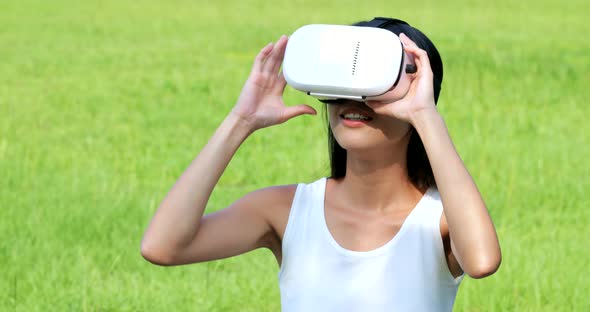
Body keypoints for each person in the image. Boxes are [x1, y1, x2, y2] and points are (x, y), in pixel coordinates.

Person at [141, 17, 501, 311]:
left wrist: (425, 115)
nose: (353, 100)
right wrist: (242, 119)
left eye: (374, 83)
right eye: (341, 84)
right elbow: (163, 246)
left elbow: (482, 261)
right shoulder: (287, 210)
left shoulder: (437, 219)